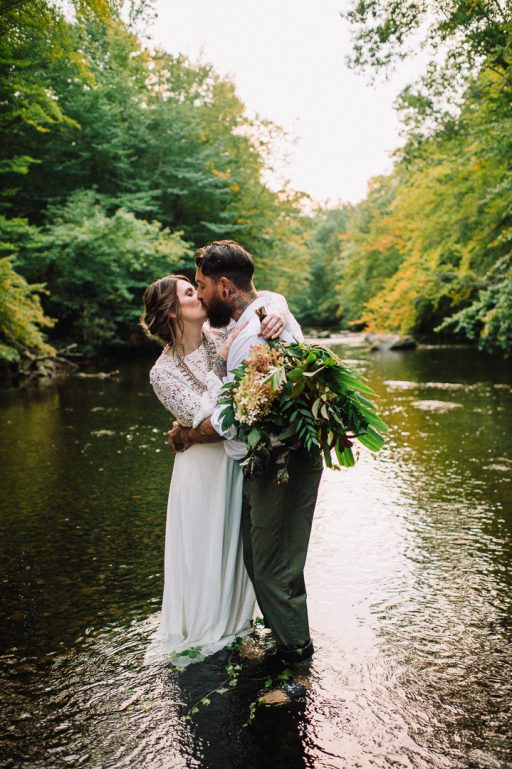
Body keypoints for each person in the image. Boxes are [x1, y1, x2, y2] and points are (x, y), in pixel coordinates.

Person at [168, 241, 323, 665]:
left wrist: (189, 434)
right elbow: (269, 296)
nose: (198, 294)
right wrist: (279, 303)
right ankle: (287, 639)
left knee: (275, 568)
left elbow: (234, 419)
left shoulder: (254, 337)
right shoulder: (255, 315)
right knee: (260, 558)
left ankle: (298, 659)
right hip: (271, 460)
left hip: (281, 461)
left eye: (199, 285)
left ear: (223, 285)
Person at [141, 273, 299, 664]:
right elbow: (200, 416)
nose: (202, 296)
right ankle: (205, 626)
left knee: (236, 544)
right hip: (199, 474)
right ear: (173, 311)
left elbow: (263, 297)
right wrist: (223, 360)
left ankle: (236, 623)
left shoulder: (221, 331)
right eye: (191, 293)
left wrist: (276, 310)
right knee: (204, 547)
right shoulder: (161, 373)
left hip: (233, 462)